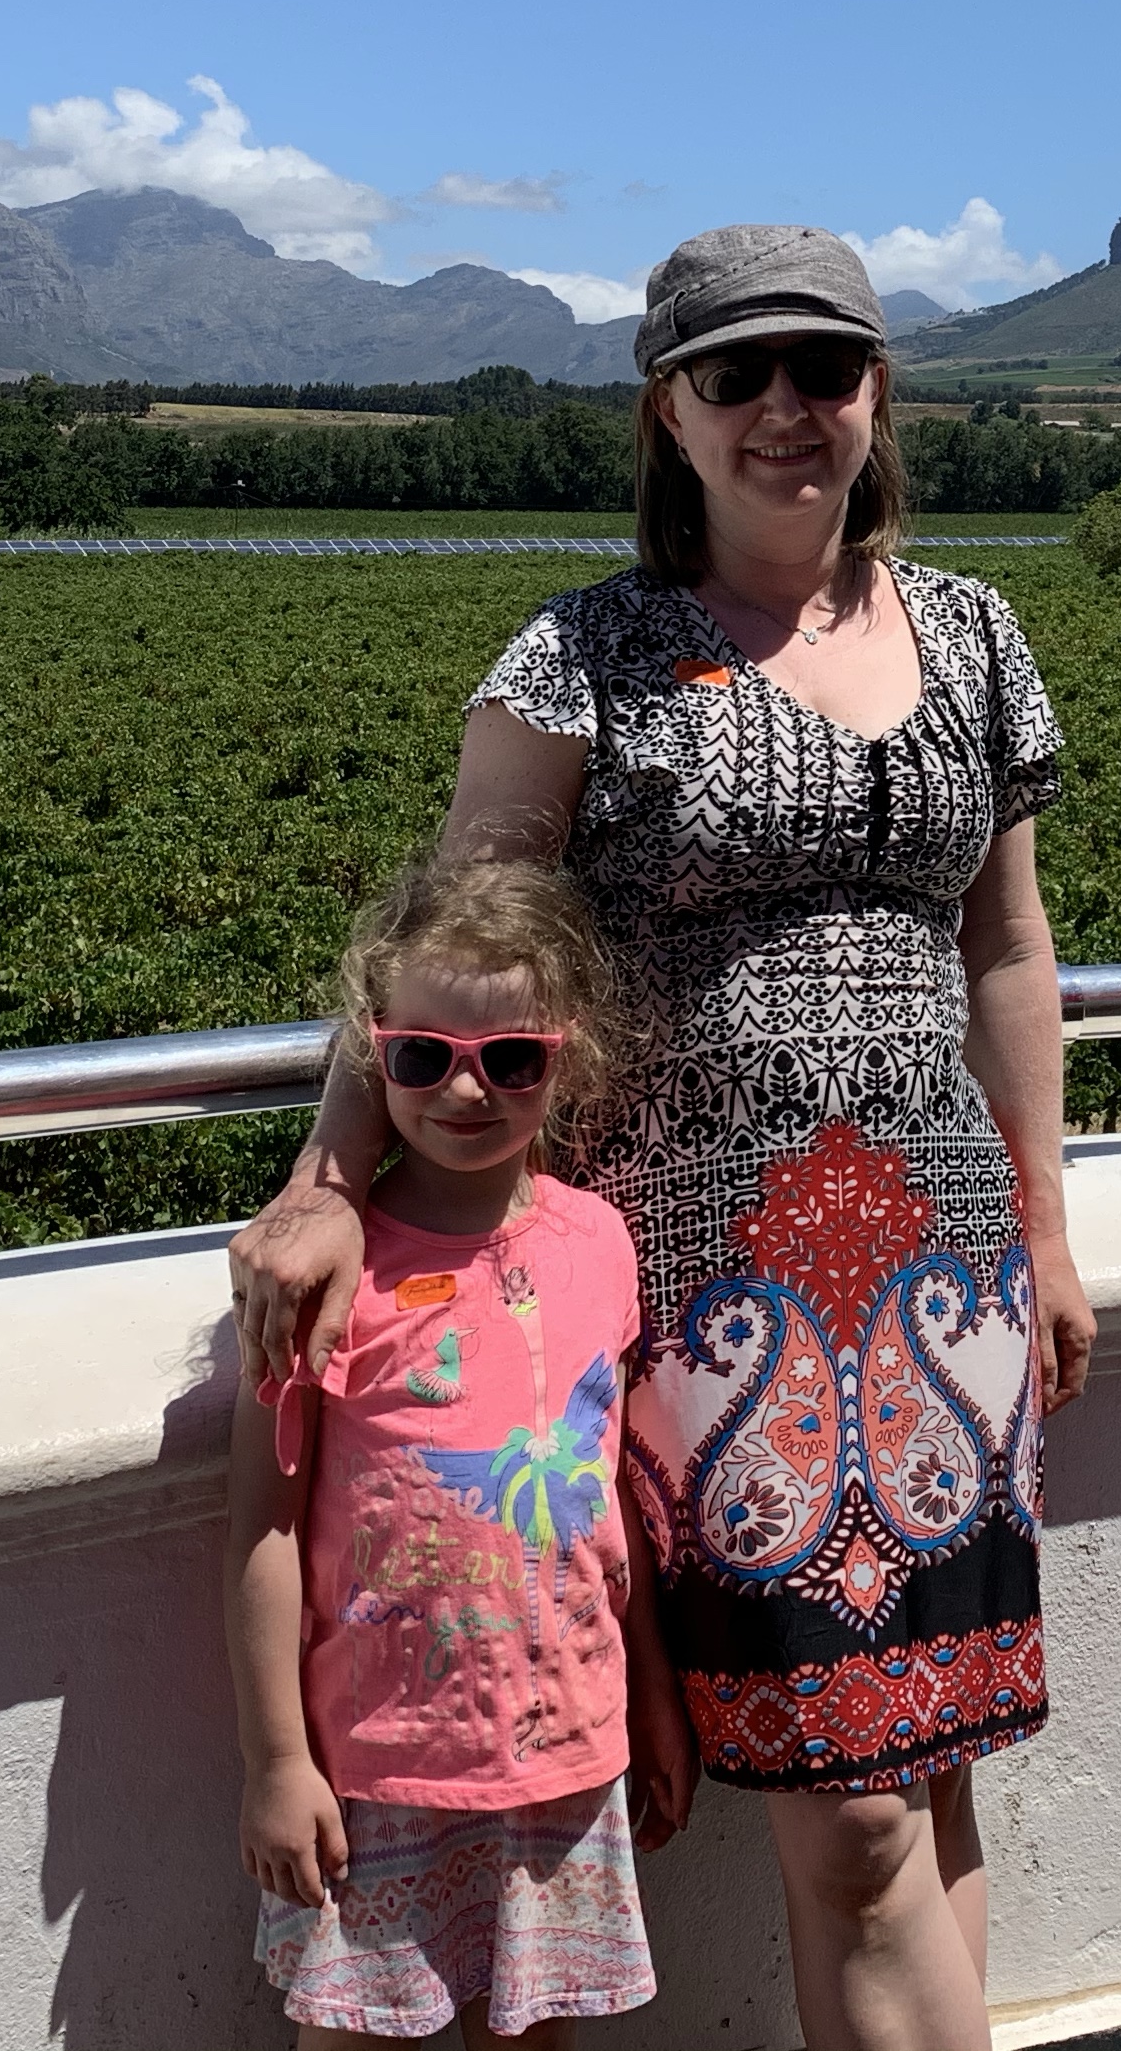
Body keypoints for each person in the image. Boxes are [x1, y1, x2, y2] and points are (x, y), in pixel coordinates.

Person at [233, 223, 1094, 2051]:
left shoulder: (976, 633)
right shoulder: (585, 654)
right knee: (852, 1814)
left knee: (927, 1762)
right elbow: (446, 945)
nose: (787, 405)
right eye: (736, 373)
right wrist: (326, 1183)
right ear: (670, 414)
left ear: (877, 396)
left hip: (947, 1275)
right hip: (710, 1289)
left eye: (825, 367)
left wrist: (1047, 1228)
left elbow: (1008, 949)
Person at [225, 853, 697, 2045]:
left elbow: (608, 1501)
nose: (467, 1089)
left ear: (566, 1055)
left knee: (537, 2034)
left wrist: (651, 1699)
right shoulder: (324, 1277)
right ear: (374, 1054)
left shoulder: (600, 1243)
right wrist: (277, 1762)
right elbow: (264, 1528)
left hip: (564, 1747)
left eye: (513, 1058)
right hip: (376, 1764)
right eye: (423, 1057)